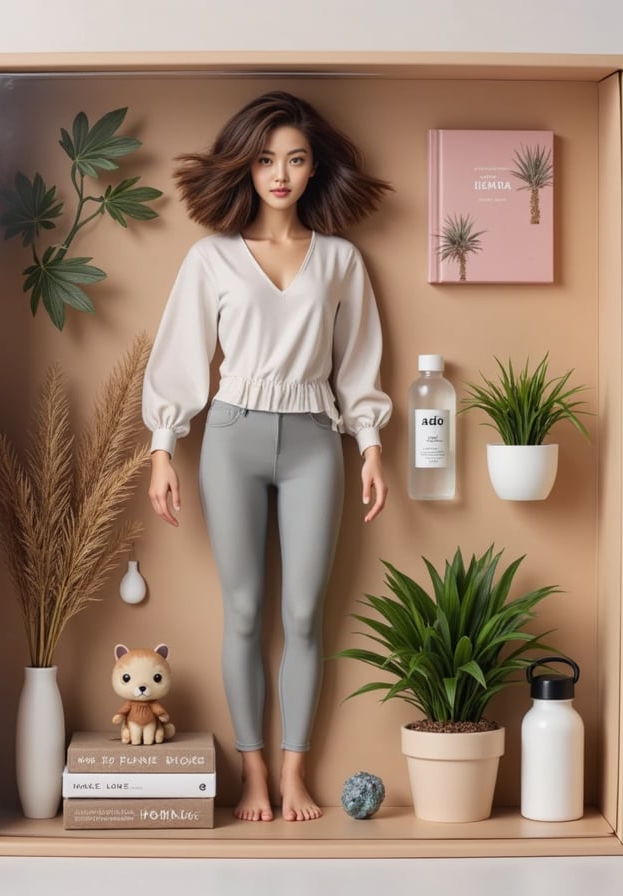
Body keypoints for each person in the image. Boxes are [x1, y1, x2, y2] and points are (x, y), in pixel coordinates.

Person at [142, 91, 392, 822]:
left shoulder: (342, 261)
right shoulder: (210, 258)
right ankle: (251, 774)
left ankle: (294, 776)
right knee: (246, 611)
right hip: (231, 436)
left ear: (315, 169)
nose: (279, 173)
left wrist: (371, 444)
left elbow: (359, 368)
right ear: (246, 166)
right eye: (265, 159)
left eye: (295, 159)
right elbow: (181, 361)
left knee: (307, 613)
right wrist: (163, 449)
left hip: (317, 438)